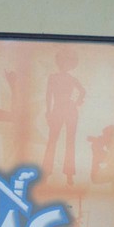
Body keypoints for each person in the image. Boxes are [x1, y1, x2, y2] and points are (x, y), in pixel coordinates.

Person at [43, 47, 86, 185]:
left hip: (70, 110)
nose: (65, 64)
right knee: (52, 140)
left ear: (71, 64)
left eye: (68, 62)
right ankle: (46, 172)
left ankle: (69, 174)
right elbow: (48, 95)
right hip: (57, 110)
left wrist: (78, 102)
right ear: (59, 62)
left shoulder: (72, 79)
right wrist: (48, 111)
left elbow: (82, 91)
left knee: (70, 142)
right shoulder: (53, 77)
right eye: (62, 61)